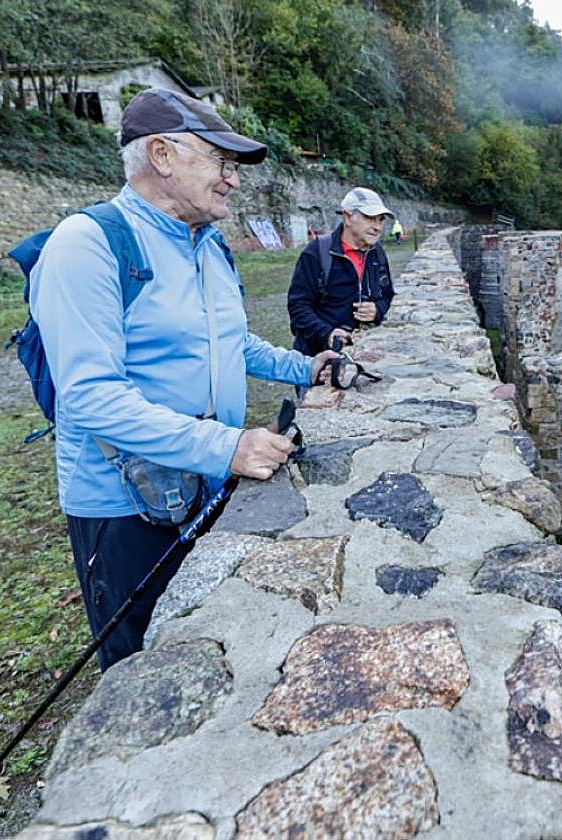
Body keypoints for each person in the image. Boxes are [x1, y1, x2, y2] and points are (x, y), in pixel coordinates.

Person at [28, 88, 336, 670]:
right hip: (125, 510)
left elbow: (228, 342)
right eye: (221, 161)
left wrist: (305, 366)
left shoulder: (209, 247)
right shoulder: (87, 245)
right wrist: (227, 446)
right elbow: (90, 398)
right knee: (143, 668)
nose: (233, 180)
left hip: (206, 487)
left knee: (210, 647)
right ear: (162, 155)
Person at [287, 187, 395, 361]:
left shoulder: (377, 253)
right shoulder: (316, 252)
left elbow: (387, 295)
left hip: (363, 355)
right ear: (347, 217)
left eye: (380, 220)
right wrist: (326, 333)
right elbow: (298, 306)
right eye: (369, 218)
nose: (377, 227)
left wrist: (377, 310)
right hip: (317, 358)